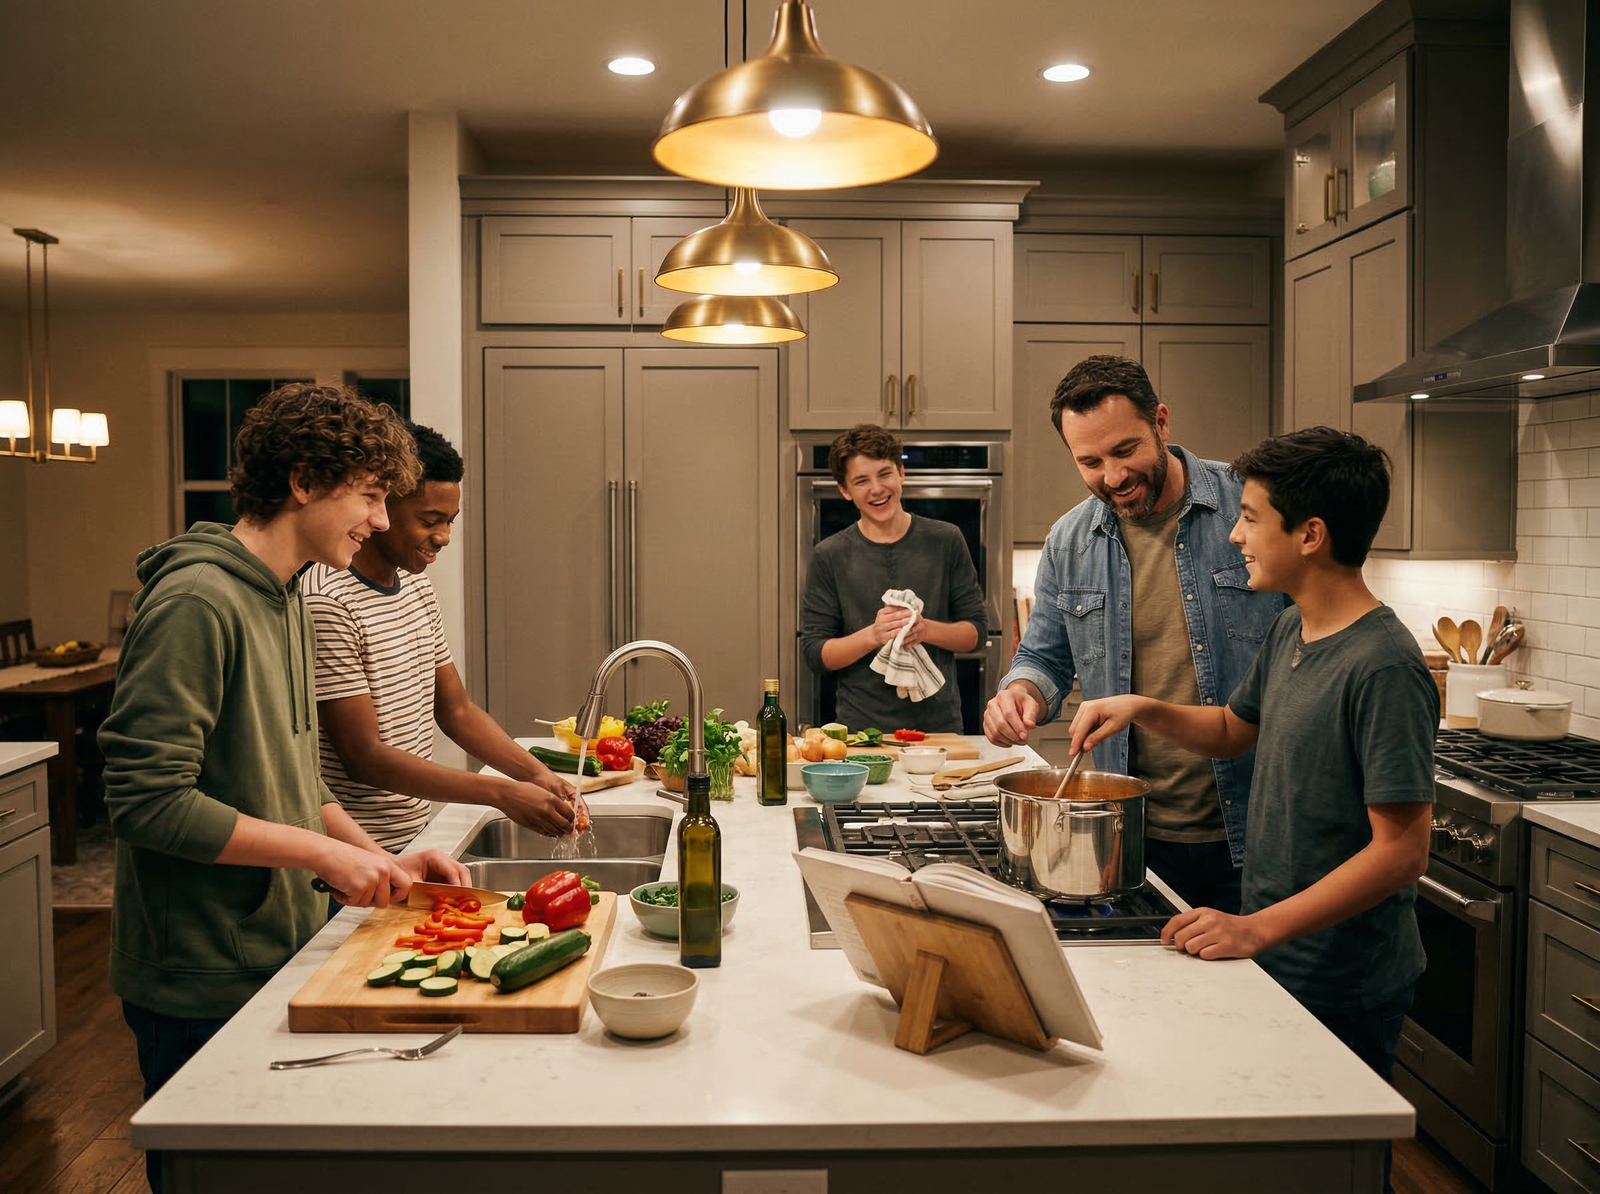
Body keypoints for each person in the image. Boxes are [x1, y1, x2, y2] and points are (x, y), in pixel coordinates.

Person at [99, 383, 468, 1193]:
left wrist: (387, 864)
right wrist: (322, 858)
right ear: (304, 482)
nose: (379, 519)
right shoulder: (198, 600)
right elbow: (145, 799)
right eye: (370, 495)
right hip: (200, 969)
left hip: (277, 943)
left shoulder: (287, 594)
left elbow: (294, 776)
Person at [1066, 428, 1434, 1187]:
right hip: (1276, 950)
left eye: (1252, 517)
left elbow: (1402, 851)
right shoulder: (1293, 626)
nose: (1234, 533)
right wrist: (1139, 706)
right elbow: (1235, 731)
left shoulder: (1383, 665)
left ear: (1311, 535)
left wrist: (1258, 925)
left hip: (1340, 972)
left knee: (1332, 1169)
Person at [984, 355, 1287, 913]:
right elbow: (1043, 657)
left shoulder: (1251, 508)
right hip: (1129, 837)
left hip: (1259, 831)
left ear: (1162, 423)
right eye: (1090, 461)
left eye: (1125, 451)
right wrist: (1019, 696)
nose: (1114, 476)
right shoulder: (1069, 540)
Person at [305, 421, 576, 856]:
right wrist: (499, 793)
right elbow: (363, 756)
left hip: (414, 840)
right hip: (353, 855)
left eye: (450, 521)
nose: (444, 537)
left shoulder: (415, 587)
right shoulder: (328, 601)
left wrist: (535, 773)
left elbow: (456, 711)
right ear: (381, 506)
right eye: (429, 520)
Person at [800, 423, 986, 735]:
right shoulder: (829, 555)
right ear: (845, 490)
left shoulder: (946, 540)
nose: (877, 488)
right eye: (861, 480)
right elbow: (816, 654)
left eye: (884, 473)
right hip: (860, 734)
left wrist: (926, 630)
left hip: (939, 730)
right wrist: (873, 635)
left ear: (901, 472)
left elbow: (976, 633)